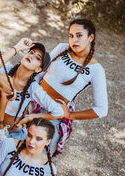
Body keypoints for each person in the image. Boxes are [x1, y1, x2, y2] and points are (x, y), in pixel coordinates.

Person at [18, 18, 108, 156]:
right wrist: (23, 94)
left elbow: (101, 109)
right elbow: (41, 72)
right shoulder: (62, 48)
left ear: (91, 37)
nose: (74, 40)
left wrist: (70, 115)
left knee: (36, 156)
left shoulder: (96, 70)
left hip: (53, 116)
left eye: (79, 35)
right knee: (14, 145)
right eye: (71, 36)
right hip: (31, 101)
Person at [0, 39, 64, 158]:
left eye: (37, 58)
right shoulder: (7, 69)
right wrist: (17, 47)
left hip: (13, 133)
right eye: (31, 52)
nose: (32, 56)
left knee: (8, 168)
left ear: (38, 69)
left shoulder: (33, 88)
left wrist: (31, 117)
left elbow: (59, 112)